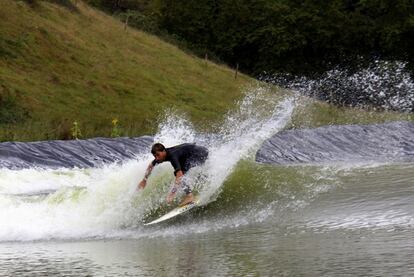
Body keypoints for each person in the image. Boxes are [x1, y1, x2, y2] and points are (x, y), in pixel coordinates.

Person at [138, 142, 209, 206]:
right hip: (193, 152)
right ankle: (201, 184)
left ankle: (189, 196)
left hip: (200, 154)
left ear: (163, 151)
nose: (156, 158)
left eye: (158, 155)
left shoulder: (173, 156)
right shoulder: (161, 156)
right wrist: (144, 180)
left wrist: (172, 193)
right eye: (155, 156)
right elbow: (151, 166)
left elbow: (179, 176)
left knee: (181, 175)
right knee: (182, 171)